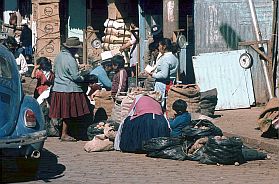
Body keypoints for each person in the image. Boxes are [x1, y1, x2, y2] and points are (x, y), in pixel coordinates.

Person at [49, 37, 90, 142]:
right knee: (68, 113)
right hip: (69, 89)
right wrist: (84, 77)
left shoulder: (58, 56)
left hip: (58, 88)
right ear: (73, 49)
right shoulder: (70, 59)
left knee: (64, 112)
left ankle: (66, 132)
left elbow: (55, 70)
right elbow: (75, 77)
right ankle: (65, 133)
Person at [148, 38, 178, 109]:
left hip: (163, 85)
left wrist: (153, 75)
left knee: (159, 105)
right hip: (170, 83)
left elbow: (164, 75)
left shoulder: (166, 58)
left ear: (164, 47)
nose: (158, 48)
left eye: (159, 46)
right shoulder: (174, 57)